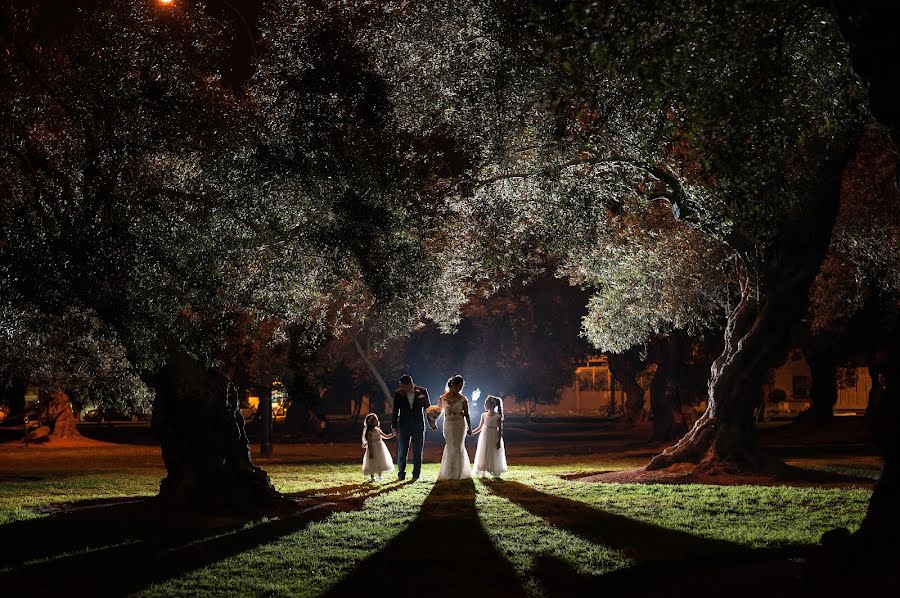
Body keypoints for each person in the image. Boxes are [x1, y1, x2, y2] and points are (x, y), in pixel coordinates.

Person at [392, 374, 432, 481]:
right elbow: (395, 411)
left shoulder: (422, 392)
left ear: (410, 384)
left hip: (418, 426)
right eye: (401, 386)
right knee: (402, 451)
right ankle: (401, 474)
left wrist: (431, 422)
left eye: (403, 386)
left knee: (417, 451)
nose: (402, 388)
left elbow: (428, 409)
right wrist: (394, 426)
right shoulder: (398, 393)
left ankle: (416, 474)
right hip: (404, 426)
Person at [437, 374, 473, 480]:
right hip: (448, 425)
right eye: (458, 386)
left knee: (458, 447)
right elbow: (438, 412)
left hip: (460, 425)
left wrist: (470, 428)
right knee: (450, 446)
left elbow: (467, 414)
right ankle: (449, 471)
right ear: (453, 385)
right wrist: (433, 421)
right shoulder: (442, 398)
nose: (459, 388)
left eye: (461, 387)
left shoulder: (463, 399)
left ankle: (458, 473)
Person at [472, 395, 508, 477]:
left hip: (494, 436)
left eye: (486, 404)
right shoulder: (483, 415)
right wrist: (472, 432)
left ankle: (493, 469)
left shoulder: (498, 416)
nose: (485, 405)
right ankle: (483, 468)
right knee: (484, 451)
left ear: (492, 405)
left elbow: (500, 430)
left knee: (493, 452)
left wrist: (498, 441)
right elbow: (480, 427)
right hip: (484, 436)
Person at [361, 414, 395, 481]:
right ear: (371, 422)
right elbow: (370, 443)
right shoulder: (369, 432)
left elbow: (385, 436)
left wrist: (392, 435)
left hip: (380, 447)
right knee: (372, 461)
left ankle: (380, 475)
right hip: (373, 448)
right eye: (375, 420)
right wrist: (370, 452)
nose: (377, 421)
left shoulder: (378, 430)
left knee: (380, 460)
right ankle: (372, 477)